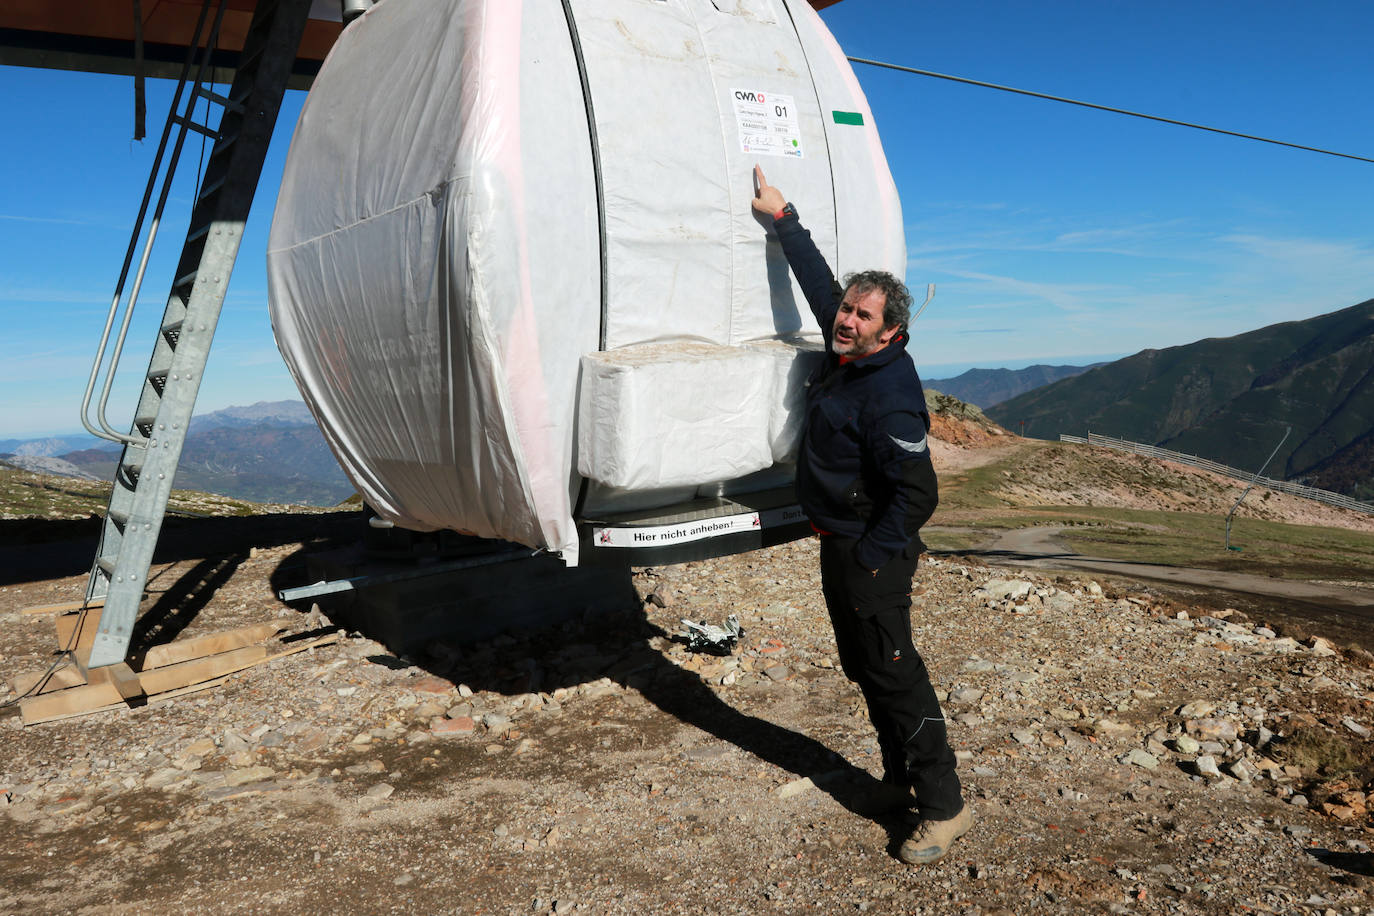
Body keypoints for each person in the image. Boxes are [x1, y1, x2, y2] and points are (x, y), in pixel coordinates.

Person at [750, 165, 971, 866]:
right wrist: (784, 218)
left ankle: (945, 806)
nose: (845, 319)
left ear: (891, 330)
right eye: (847, 310)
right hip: (840, 542)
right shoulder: (848, 351)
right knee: (868, 669)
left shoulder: (890, 396)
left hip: (870, 550)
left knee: (896, 670)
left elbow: (918, 494)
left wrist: (874, 555)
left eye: (861, 315)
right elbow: (818, 283)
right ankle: (900, 782)